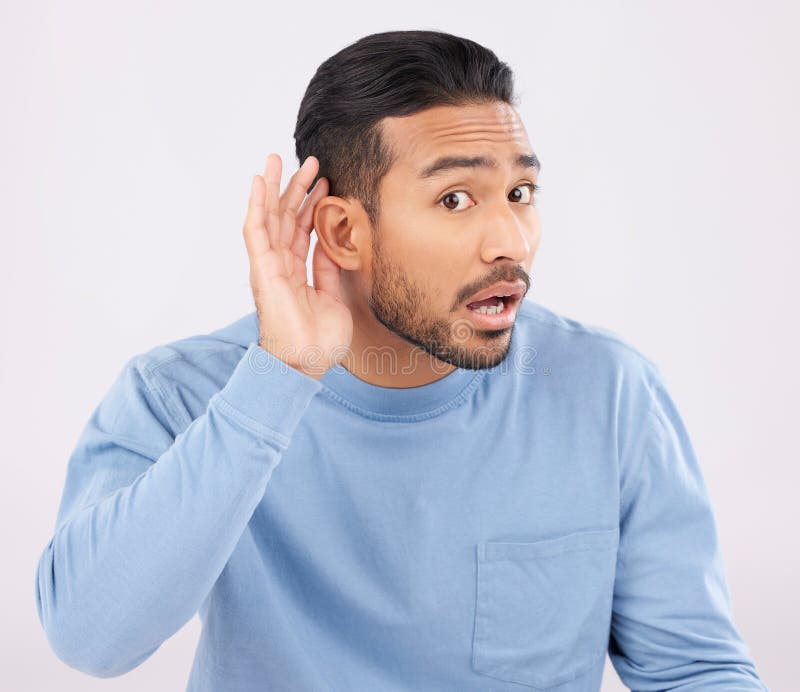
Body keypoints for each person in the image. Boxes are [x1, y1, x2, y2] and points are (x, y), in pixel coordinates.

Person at [34, 29, 768, 691]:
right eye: (455, 199)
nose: (510, 239)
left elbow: (697, 672)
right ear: (345, 233)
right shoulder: (182, 394)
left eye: (520, 192)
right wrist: (280, 376)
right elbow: (93, 641)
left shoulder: (609, 392)